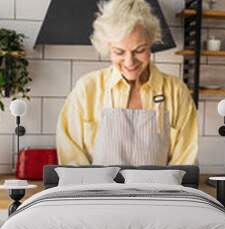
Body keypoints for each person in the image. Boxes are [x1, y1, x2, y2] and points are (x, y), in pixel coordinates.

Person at [57, 0, 198, 165]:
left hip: (158, 191)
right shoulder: (87, 89)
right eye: (119, 52)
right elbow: (72, 161)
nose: (130, 62)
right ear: (107, 47)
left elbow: (185, 162)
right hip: (96, 190)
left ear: (151, 42)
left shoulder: (176, 92)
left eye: (139, 50)